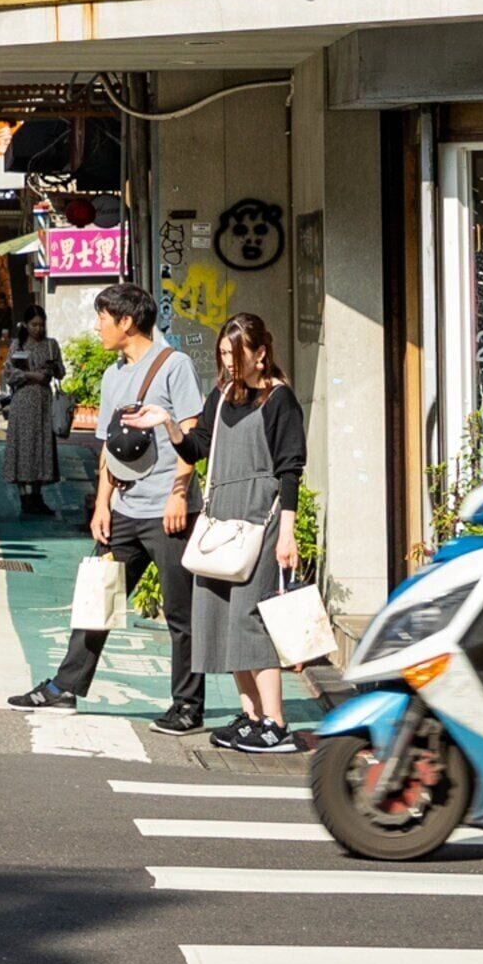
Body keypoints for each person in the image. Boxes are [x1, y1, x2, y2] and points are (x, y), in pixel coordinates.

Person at [5, 283, 210, 734]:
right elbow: (107, 450)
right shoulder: (114, 374)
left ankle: (188, 706)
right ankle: (64, 687)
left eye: (102, 317)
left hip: (169, 511)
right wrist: (102, 504)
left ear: (127, 321)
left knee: (181, 612)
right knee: (97, 598)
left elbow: (191, 436)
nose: (96, 325)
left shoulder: (175, 366)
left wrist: (179, 493)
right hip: (123, 510)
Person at [151, 313, 309, 753]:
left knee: (251, 619)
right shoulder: (221, 396)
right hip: (222, 518)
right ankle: (251, 715)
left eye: (236, 355)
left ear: (261, 354)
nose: (228, 364)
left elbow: (290, 469)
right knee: (221, 617)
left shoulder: (280, 401)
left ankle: (276, 723)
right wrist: (167, 424)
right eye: (223, 355)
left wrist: (288, 533)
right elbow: (197, 446)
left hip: (262, 516)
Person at [0, 309, 64, 518]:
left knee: (42, 446)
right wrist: (32, 375)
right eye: (34, 324)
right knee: (23, 446)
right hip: (23, 401)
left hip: (44, 402)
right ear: (26, 325)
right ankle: (24, 496)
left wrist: (53, 369)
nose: (38, 329)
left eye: (41, 324)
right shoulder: (17, 346)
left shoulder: (51, 345)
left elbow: (61, 372)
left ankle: (37, 495)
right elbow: (9, 373)